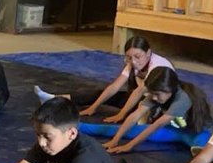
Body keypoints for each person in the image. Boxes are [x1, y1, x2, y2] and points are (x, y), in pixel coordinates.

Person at [34, 35, 173, 121]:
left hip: (157, 103)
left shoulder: (157, 66)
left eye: (138, 57)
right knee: (101, 94)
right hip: (142, 98)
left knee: (137, 112)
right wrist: (94, 107)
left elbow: (139, 92)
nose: (134, 62)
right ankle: (54, 99)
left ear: (148, 53)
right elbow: (114, 86)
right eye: (129, 58)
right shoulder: (133, 63)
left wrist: (121, 114)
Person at [76, 66, 213, 152]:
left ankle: (201, 149)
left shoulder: (182, 99)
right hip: (173, 131)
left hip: (196, 133)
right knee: (116, 129)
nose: (154, 98)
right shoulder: (157, 94)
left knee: (201, 147)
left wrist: (129, 146)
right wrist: (115, 140)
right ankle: (75, 126)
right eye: (152, 94)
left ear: (169, 90)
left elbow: (155, 126)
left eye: (157, 94)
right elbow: (135, 115)